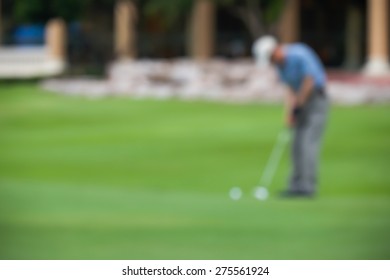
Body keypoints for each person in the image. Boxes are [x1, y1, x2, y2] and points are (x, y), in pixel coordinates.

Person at [253, 36, 329, 197]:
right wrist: (289, 112)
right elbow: (289, 89)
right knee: (296, 144)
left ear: (276, 49)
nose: (272, 62)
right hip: (299, 102)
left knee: (308, 143)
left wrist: (299, 103)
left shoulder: (299, 53)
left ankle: (308, 187)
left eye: (271, 58)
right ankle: (296, 185)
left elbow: (309, 79)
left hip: (316, 100)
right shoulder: (280, 66)